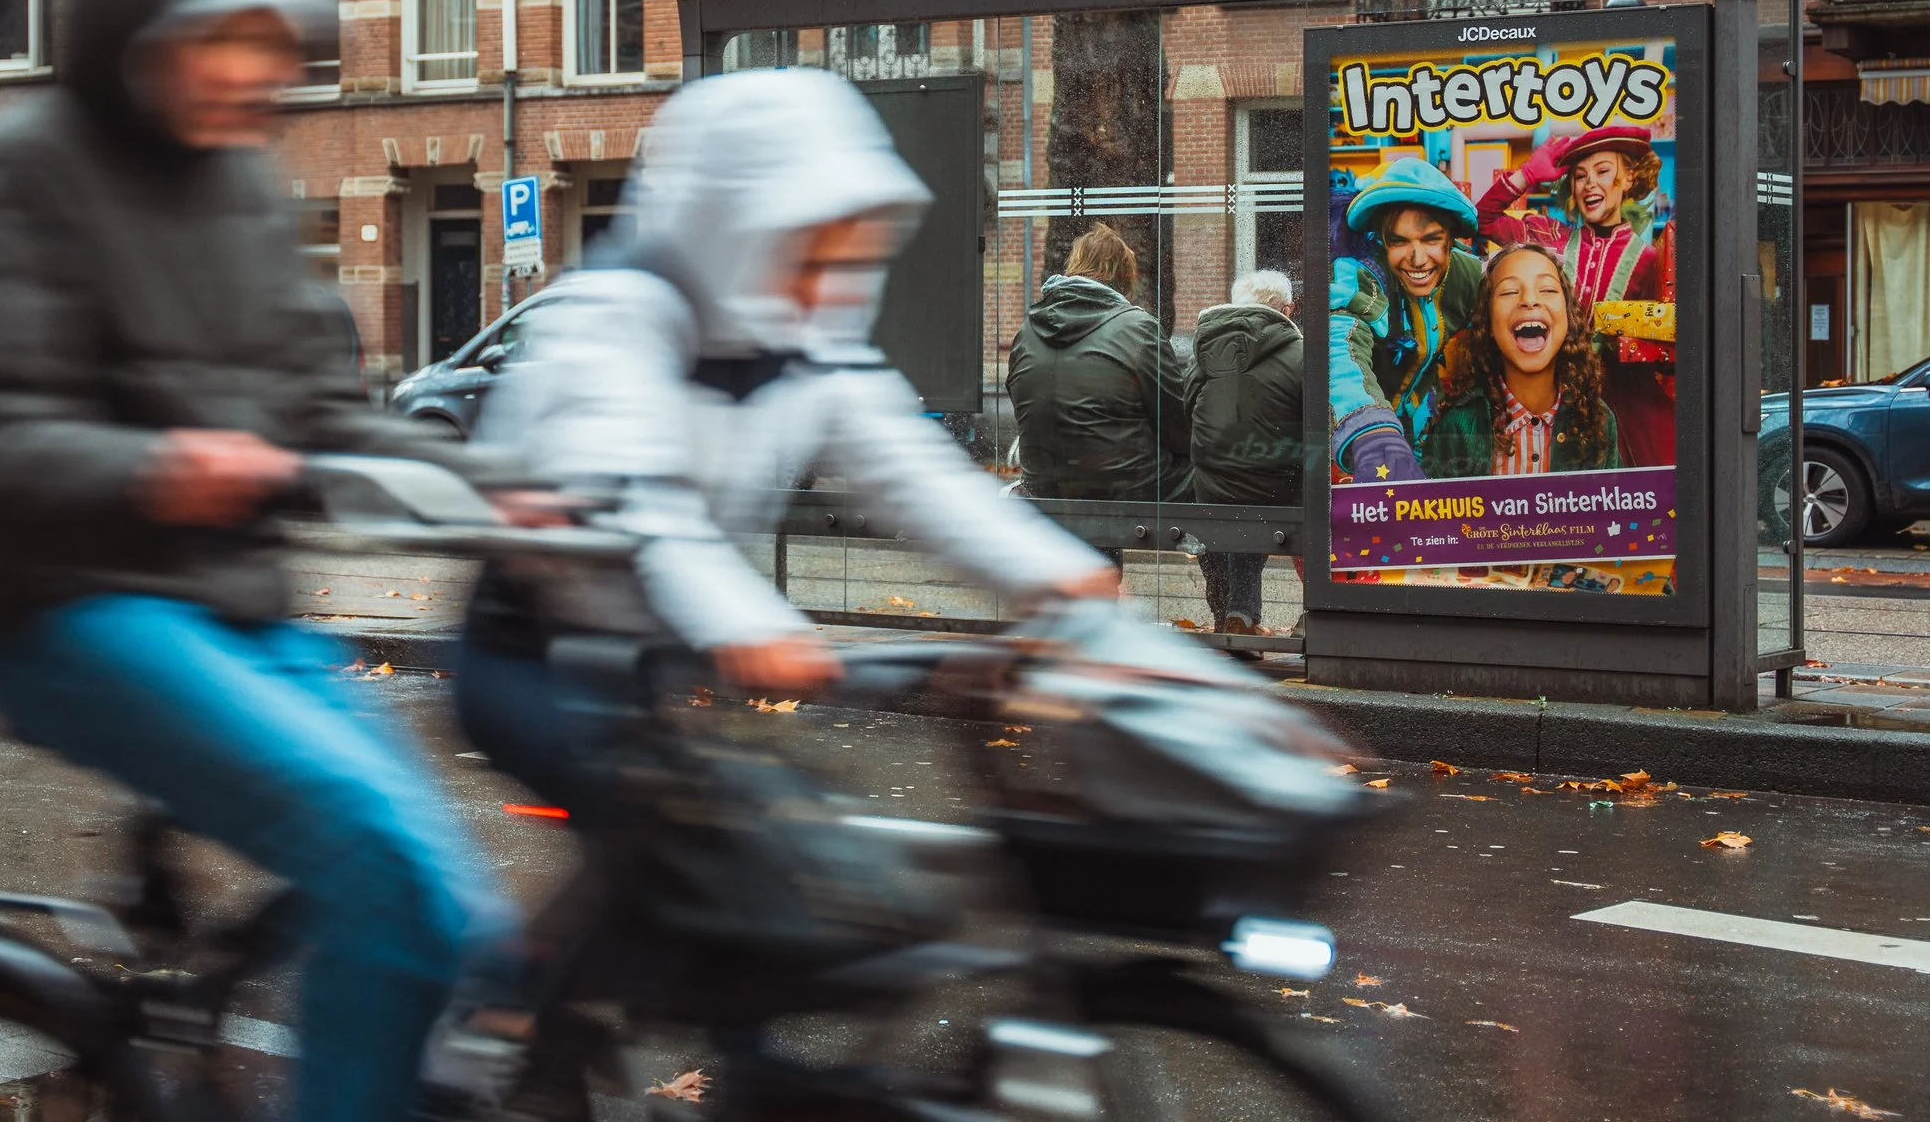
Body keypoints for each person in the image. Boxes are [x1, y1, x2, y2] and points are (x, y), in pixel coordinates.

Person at [0, 0, 511, 1122]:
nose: (259, 74)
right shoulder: (17, 171)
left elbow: (322, 415)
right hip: (70, 612)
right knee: (381, 865)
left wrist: (507, 488)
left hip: (237, 610)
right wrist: (163, 467)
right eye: (226, 38)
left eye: (271, 39)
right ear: (141, 20)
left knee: (461, 914)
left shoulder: (244, 186)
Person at [461, 67, 1120, 821]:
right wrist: (746, 622)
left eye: (842, 260)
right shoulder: (619, 319)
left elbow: (912, 472)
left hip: (657, 655)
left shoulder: (801, 342)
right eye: (804, 256)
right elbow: (638, 503)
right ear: (738, 231)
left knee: (760, 855)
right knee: (716, 856)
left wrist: (1057, 574)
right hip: (537, 658)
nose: (825, 289)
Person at [1473, 125, 1673, 464]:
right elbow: (1479, 220)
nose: (1590, 183)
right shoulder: (1549, 237)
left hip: (1611, 406)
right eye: (1580, 176)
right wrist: (1528, 174)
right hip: (1539, 393)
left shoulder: (1650, 260)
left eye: (1603, 171)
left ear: (1628, 180)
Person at [1007, 224, 1195, 508]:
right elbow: (1176, 424)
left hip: (1043, 484)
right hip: (1126, 486)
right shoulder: (1137, 328)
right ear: (1124, 275)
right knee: (1222, 480)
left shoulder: (1028, 330)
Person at [1327, 158, 1484, 484]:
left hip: (1431, 435)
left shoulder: (1466, 275)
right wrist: (1370, 432)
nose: (1417, 258)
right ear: (1383, 240)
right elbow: (1337, 345)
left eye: (1430, 239)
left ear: (1450, 239)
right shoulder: (1363, 277)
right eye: (1399, 241)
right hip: (1365, 450)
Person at [1418, 242, 1620, 477]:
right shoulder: (1457, 425)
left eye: (1547, 289)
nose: (1529, 300)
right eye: (1510, 291)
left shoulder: (1598, 420)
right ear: (1488, 323)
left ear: (1568, 316)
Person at [1185, 269, 1303, 634]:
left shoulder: (1205, 349)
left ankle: (1229, 615)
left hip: (1210, 482)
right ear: (1289, 309)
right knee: (1263, 487)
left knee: (1222, 499)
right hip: (1275, 486)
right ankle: (1242, 616)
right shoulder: (1301, 353)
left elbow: (1186, 405)